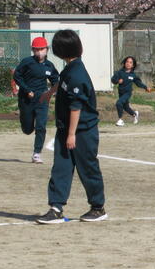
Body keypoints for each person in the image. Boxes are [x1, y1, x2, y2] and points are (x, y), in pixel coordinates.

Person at [36, 29, 107, 224]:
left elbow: (76, 107)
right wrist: (50, 92)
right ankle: (56, 208)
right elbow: (62, 83)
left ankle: (98, 207)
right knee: (61, 168)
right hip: (66, 128)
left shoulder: (77, 74)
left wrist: (71, 134)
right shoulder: (70, 68)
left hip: (82, 131)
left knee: (88, 168)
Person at [13, 36, 60, 163]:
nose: (39, 52)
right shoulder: (27, 62)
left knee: (41, 126)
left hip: (42, 99)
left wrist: (53, 92)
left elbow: (56, 81)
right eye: (36, 50)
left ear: (47, 50)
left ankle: (37, 154)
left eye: (42, 49)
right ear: (33, 50)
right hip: (26, 99)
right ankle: (26, 122)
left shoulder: (49, 66)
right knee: (27, 129)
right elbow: (17, 76)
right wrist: (27, 90)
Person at [111, 56, 149, 126]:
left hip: (128, 93)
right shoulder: (119, 72)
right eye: (127, 62)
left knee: (119, 103)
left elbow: (138, 83)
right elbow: (113, 80)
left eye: (130, 62)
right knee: (126, 107)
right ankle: (135, 114)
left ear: (133, 65)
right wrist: (118, 81)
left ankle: (120, 120)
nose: (128, 63)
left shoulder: (133, 75)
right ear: (125, 63)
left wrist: (145, 87)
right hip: (121, 93)